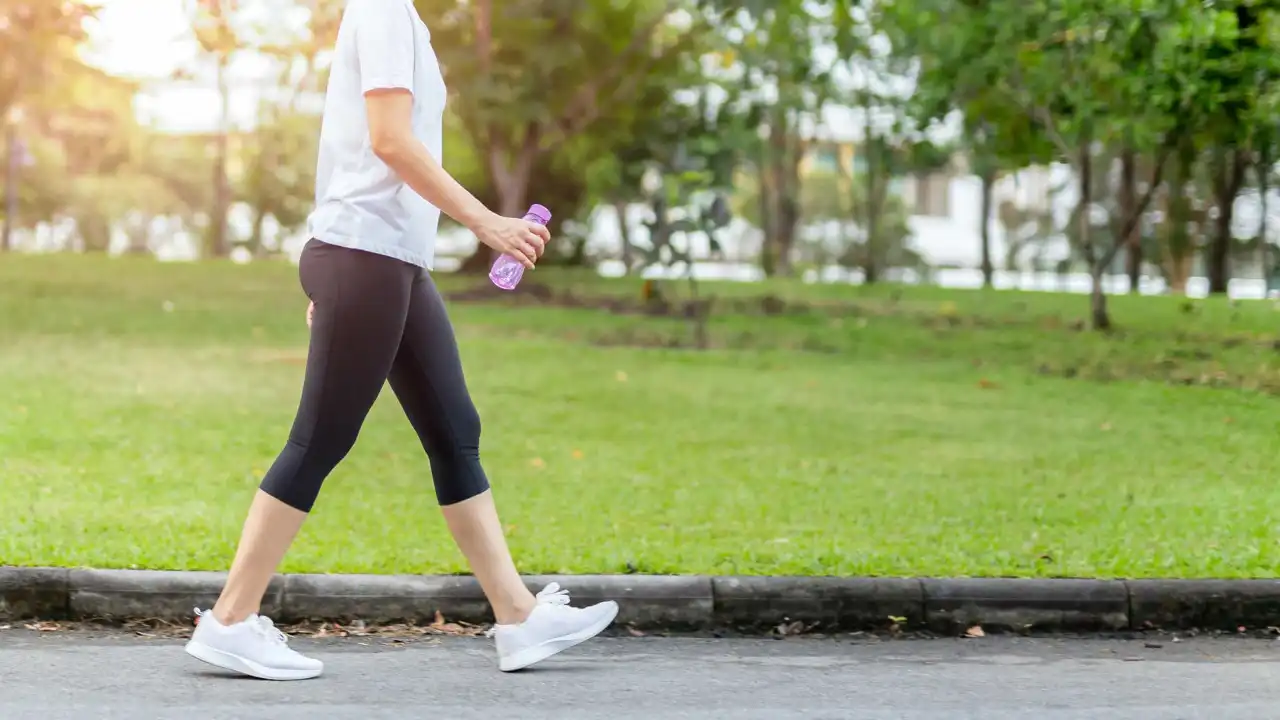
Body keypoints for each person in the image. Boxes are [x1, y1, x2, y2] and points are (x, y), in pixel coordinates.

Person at [183, 0, 618, 680]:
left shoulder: (400, 17)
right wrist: (487, 224)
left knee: (454, 430)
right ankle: (230, 620)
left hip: (388, 264)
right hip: (366, 257)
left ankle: (519, 617)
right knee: (319, 439)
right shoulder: (382, 9)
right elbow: (389, 140)